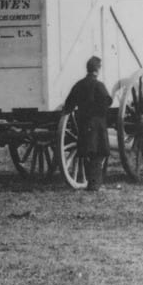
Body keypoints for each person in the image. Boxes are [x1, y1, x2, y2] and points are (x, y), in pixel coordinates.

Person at [64, 56, 113, 192]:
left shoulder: (79, 85)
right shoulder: (99, 85)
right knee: (98, 154)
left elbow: (68, 105)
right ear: (97, 69)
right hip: (97, 124)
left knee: (87, 152)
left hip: (83, 123)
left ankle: (90, 183)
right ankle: (95, 185)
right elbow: (107, 102)